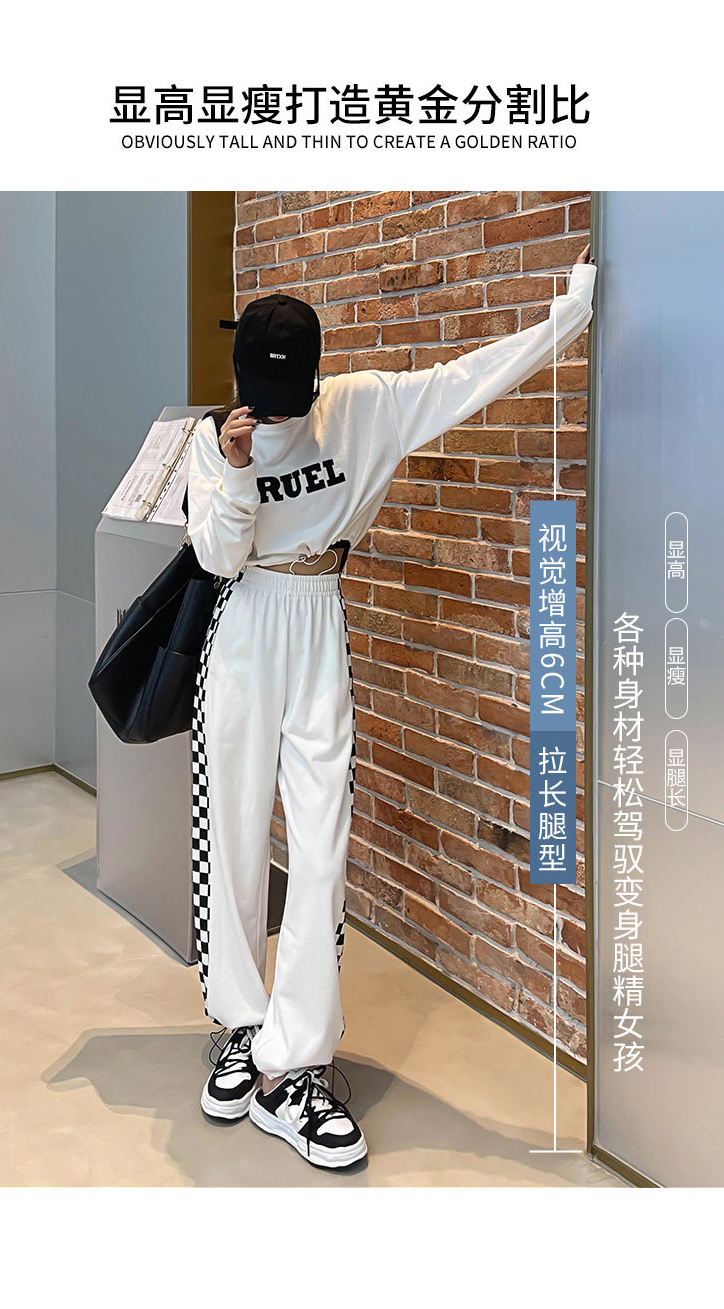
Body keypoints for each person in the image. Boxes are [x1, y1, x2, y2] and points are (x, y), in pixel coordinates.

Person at [186, 243, 597, 1170]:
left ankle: (294, 1065)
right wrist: (238, 468)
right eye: (263, 399)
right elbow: (216, 557)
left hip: (315, 617)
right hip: (242, 625)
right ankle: (241, 1023)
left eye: (290, 401)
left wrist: (568, 314)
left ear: (315, 378)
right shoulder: (216, 438)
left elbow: (466, 380)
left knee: (320, 846)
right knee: (234, 833)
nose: (276, 416)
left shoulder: (363, 407)